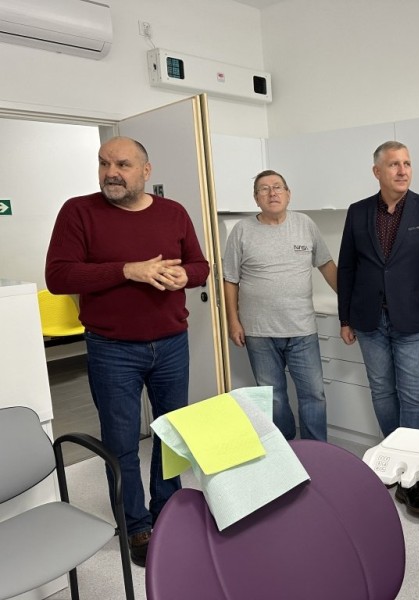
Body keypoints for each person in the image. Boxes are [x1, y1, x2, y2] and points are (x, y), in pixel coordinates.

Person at [45, 136, 210, 567]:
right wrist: (126, 270)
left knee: (171, 437)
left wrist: (185, 276)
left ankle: (167, 511)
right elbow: (58, 276)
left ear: (146, 171)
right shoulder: (78, 212)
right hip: (112, 348)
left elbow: (201, 265)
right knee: (120, 442)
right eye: (104, 164)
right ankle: (136, 524)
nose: (111, 173)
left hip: (171, 344)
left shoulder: (173, 212)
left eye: (122, 164)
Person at [338, 140, 419, 518]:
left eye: (407, 163)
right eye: (394, 164)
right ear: (377, 171)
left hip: (412, 319)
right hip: (368, 320)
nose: (402, 170)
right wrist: (345, 317)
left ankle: (412, 479)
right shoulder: (358, 211)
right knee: (382, 392)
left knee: (413, 397)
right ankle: (394, 462)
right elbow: (347, 267)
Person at [223, 169, 337, 442]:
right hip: (259, 331)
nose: (272, 192)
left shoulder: (305, 224)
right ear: (256, 198)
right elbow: (230, 279)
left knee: (314, 394)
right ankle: (285, 448)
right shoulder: (242, 231)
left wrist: (350, 304)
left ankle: (316, 451)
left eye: (277, 187)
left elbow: (326, 265)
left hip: (301, 328)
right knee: (273, 397)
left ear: (288, 194)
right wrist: (233, 320)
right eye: (264, 189)